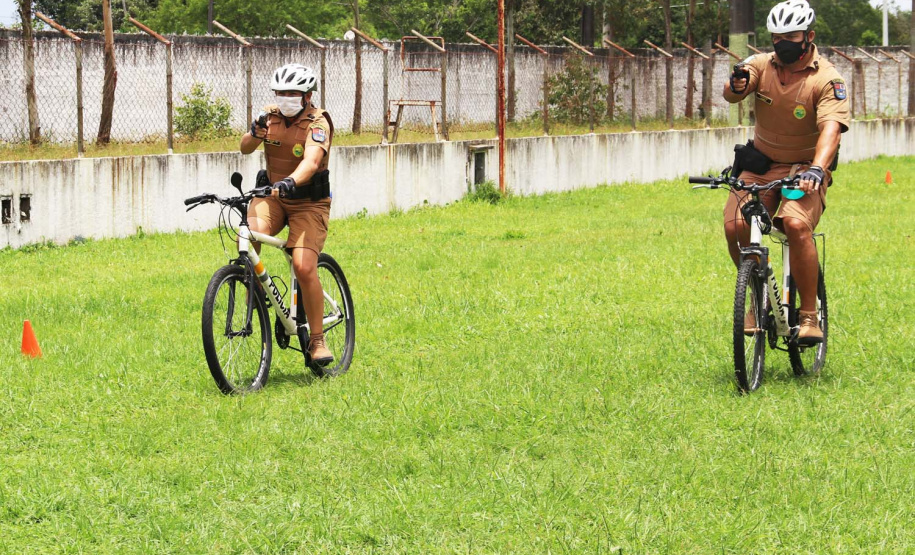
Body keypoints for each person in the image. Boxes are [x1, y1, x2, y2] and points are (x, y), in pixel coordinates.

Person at [723, 0, 849, 344]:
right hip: (761, 166)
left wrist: (818, 170)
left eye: (790, 37)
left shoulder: (827, 79)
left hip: (803, 171)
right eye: (776, 37)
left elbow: (832, 131)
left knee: (795, 224)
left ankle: (809, 316)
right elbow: (734, 92)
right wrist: (736, 85)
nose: (782, 44)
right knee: (735, 224)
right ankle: (754, 298)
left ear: (808, 36)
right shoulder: (762, 65)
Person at [240, 63, 335, 365]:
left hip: (308, 201)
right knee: (249, 230)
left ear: (307, 96)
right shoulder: (269, 117)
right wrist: (255, 134)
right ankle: (253, 290)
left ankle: (318, 341)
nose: (285, 98)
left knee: (304, 266)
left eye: (292, 93)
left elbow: (311, 160)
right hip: (273, 196)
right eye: (280, 93)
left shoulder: (317, 123)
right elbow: (244, 147)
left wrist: (291, 181)